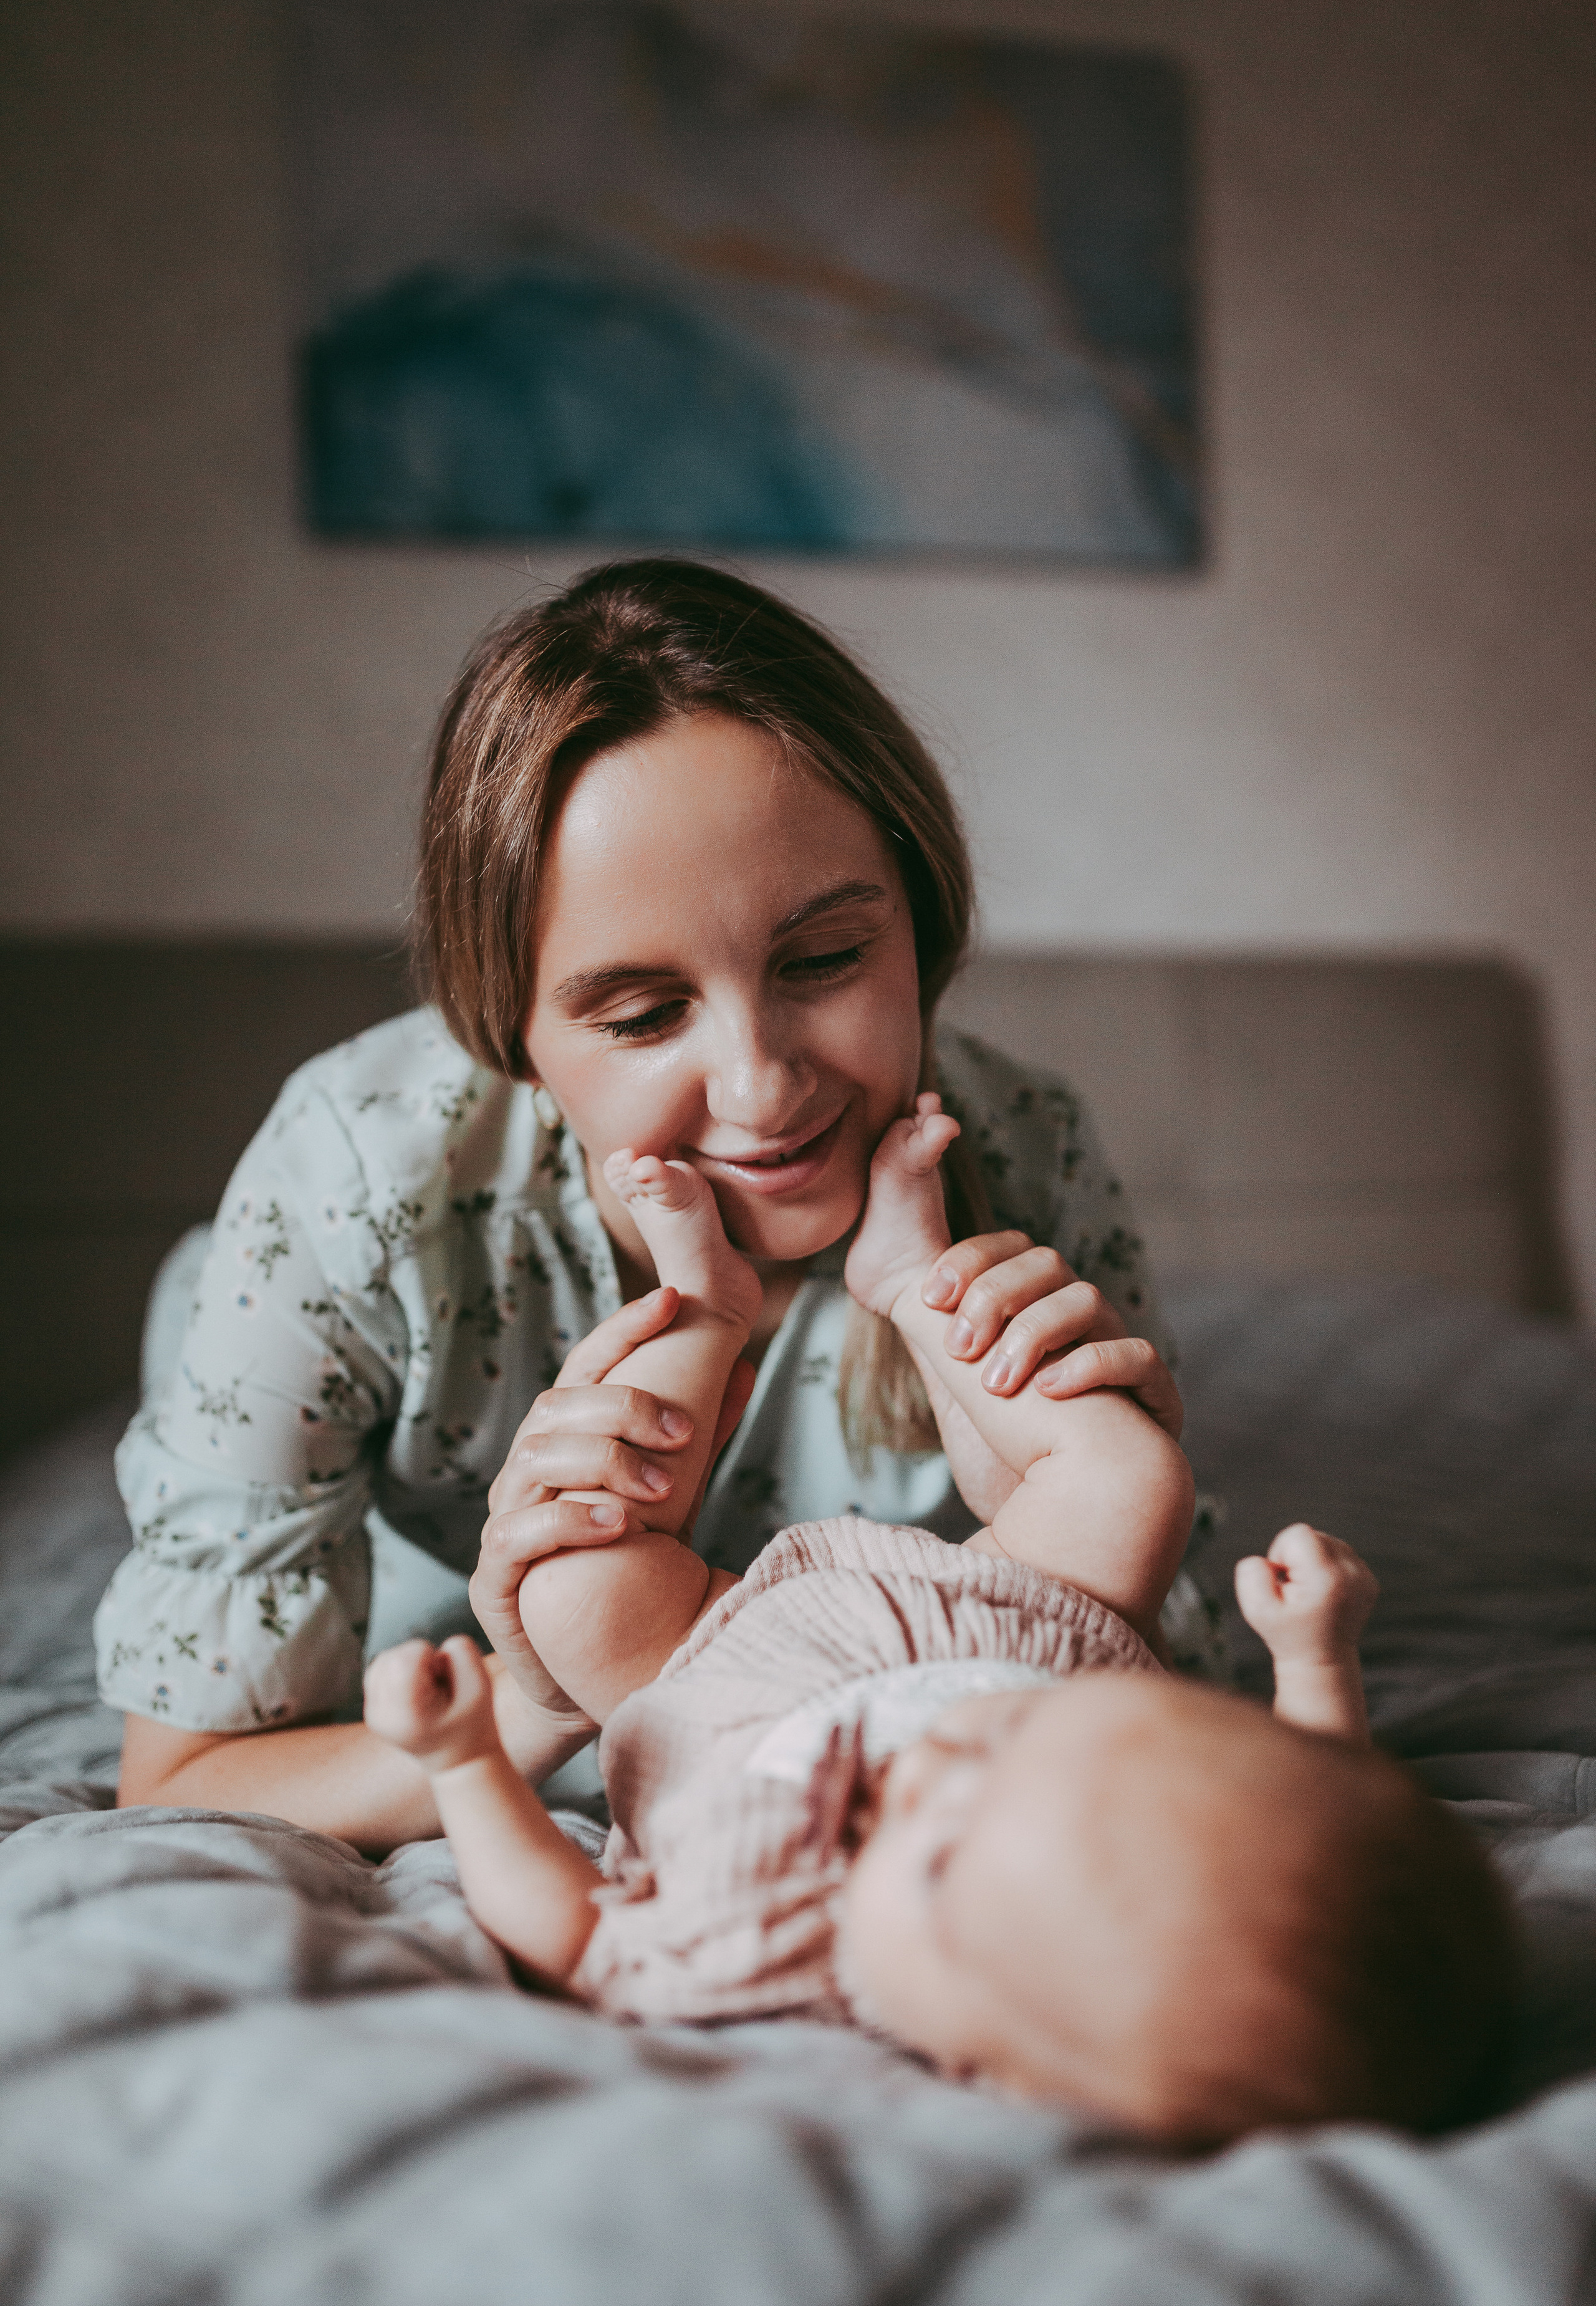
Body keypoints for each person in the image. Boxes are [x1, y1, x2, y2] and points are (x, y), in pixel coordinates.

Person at [99, 559, 1185, 1852]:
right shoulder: (353, 1199)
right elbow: (184, 1774)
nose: (763, 1088)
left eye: (825, 958)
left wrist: (1101, 1521)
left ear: (922, 919)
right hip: (286, 1337)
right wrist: (541, 1696)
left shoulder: (1021, 1148)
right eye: (639, 1014)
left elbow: (1169, 1695)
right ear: (509, 1033)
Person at [364, 1100, 1513, 2148]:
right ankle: (913, 1279)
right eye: (1022, 1747)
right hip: (1020, 1616)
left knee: (572, 1586)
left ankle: (706, 1307)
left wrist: (464, 1766)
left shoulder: (756, 1950)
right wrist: (1316, 1652)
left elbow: (566, 1934)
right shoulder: (1145, 1825)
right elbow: (1316, 1784)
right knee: (1134, 1487)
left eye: (942, 1857)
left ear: (986, 2072)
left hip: (716, 1657)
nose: (935, 1761)